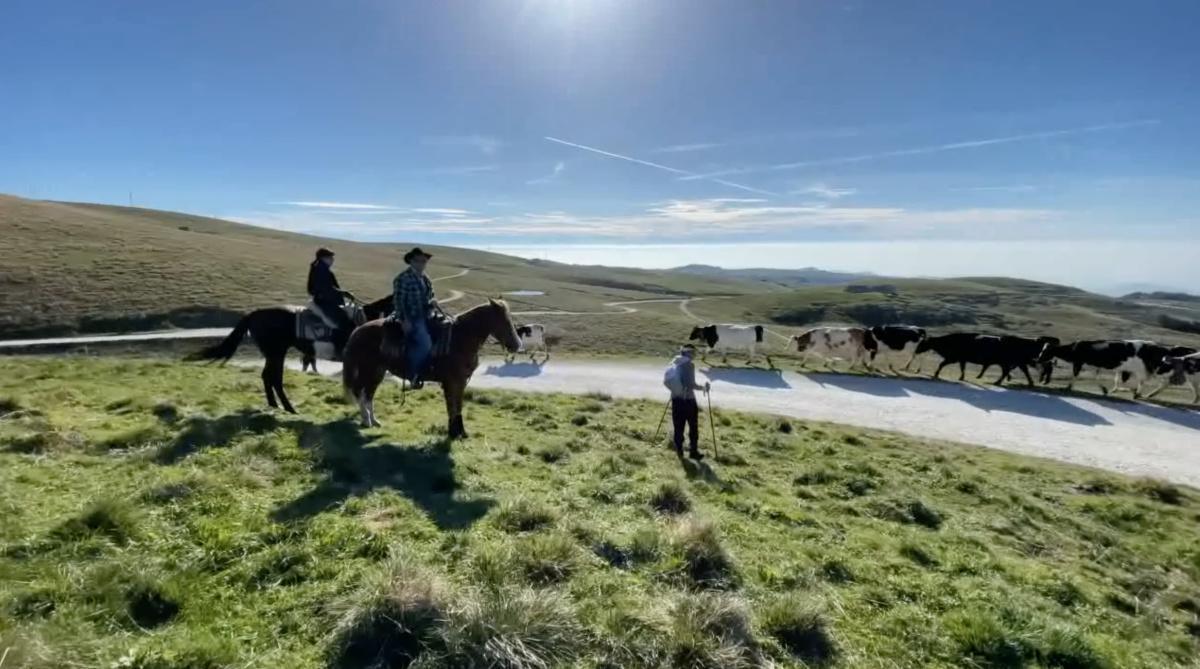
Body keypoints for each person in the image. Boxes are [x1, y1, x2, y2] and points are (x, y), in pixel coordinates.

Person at [391, 247, 438, 388]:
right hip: (412, 317)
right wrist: (403, 320)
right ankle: (414, 374)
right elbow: (398, 301)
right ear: (411, 261)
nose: (422, 264)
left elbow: (430, 296)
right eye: (418, 261)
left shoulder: (425, 278)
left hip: (428, 314)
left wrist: (433, 302)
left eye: (424, 261)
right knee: (425, 343)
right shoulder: (403, 278)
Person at [306, 247, 356, 359]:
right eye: (330, 257)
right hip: (324, 302)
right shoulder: (321, 270)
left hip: (324, 300)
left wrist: (343, 294)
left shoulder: (320, 268)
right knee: (344, 322)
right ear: (324, 258)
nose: (332, 260)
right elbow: (327, 289)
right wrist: (344, 293)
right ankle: (339, 352)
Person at [664, 344, 710, 460]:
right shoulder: (689, 365)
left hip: (676, 399)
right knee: (693, 427)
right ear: (689, 353)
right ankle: (693, 452)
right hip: (688, 400)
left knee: (678, 427)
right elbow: (690, 385)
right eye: (694, 353)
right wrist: (703, 388)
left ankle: (679, 451)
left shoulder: (674, 362)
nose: (695, 355)